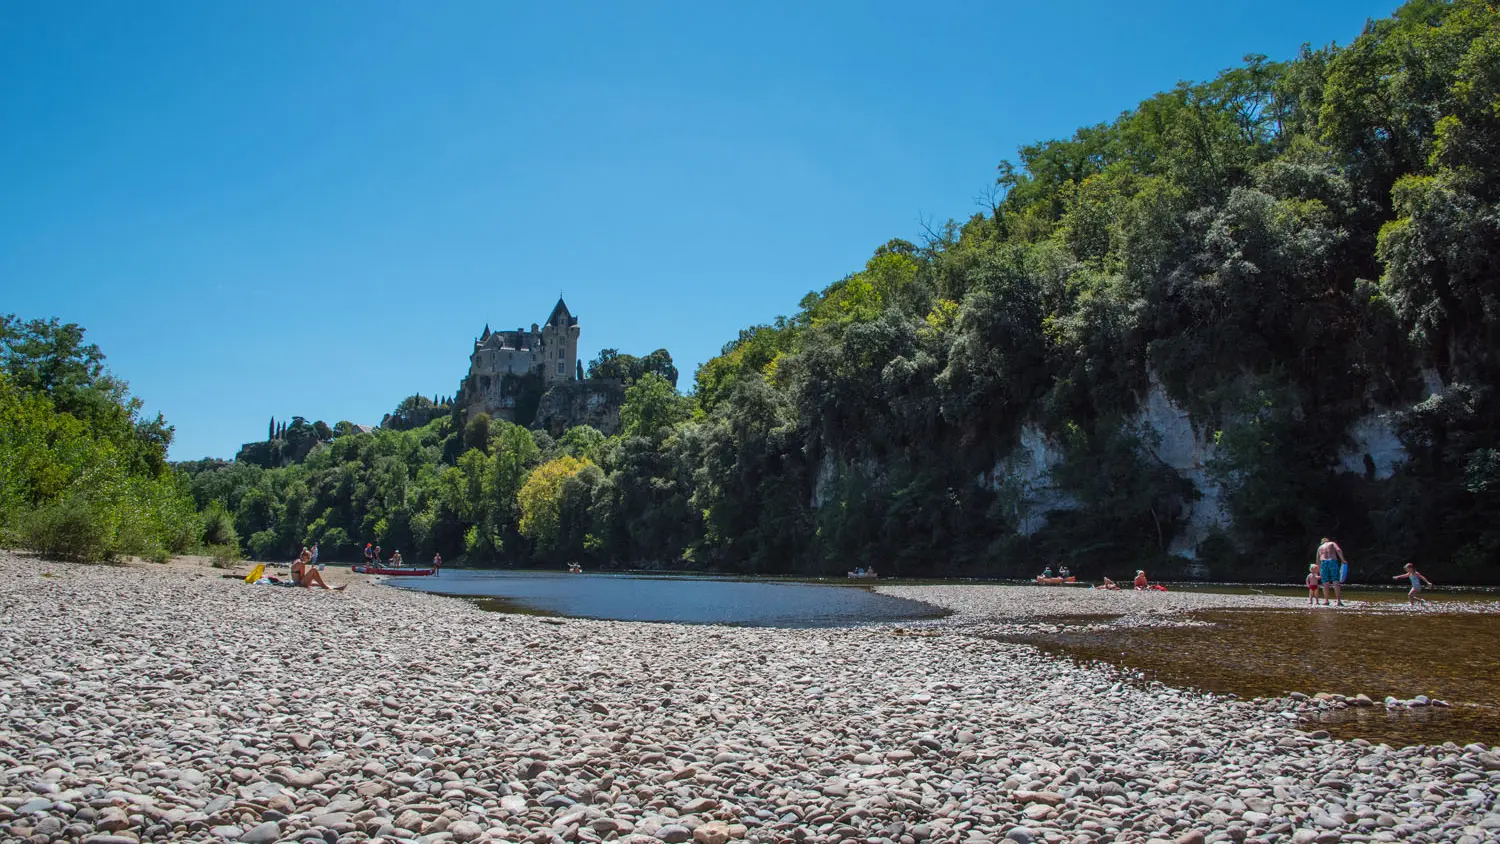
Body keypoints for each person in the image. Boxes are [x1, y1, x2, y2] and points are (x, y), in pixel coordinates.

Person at [1316, 537, 1348, 607]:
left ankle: (1326, 601)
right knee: (1335, 581)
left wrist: (1318, 571)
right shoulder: (1332, 543)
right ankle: (1339, 602)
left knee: (1325, 582)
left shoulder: (1320, 547)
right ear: (1327, 540)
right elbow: (1339, 550)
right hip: (1332, 561)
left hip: (1323, 563)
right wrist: (1342, 559)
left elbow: (1317, 561)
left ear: (1322, 542)